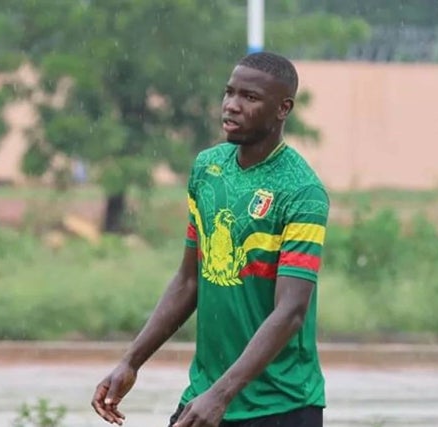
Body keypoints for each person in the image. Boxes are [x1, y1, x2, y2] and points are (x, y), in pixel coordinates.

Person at [91, 51, 330, 427]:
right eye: (229, 93)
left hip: (280, 407)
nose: (231, 106)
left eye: (249, 98)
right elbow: (190, 280)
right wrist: (131, 361)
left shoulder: (302, 191)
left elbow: (290, 313)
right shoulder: (208, 169)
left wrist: (221, 395)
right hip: (204, 396)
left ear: (283, 109)